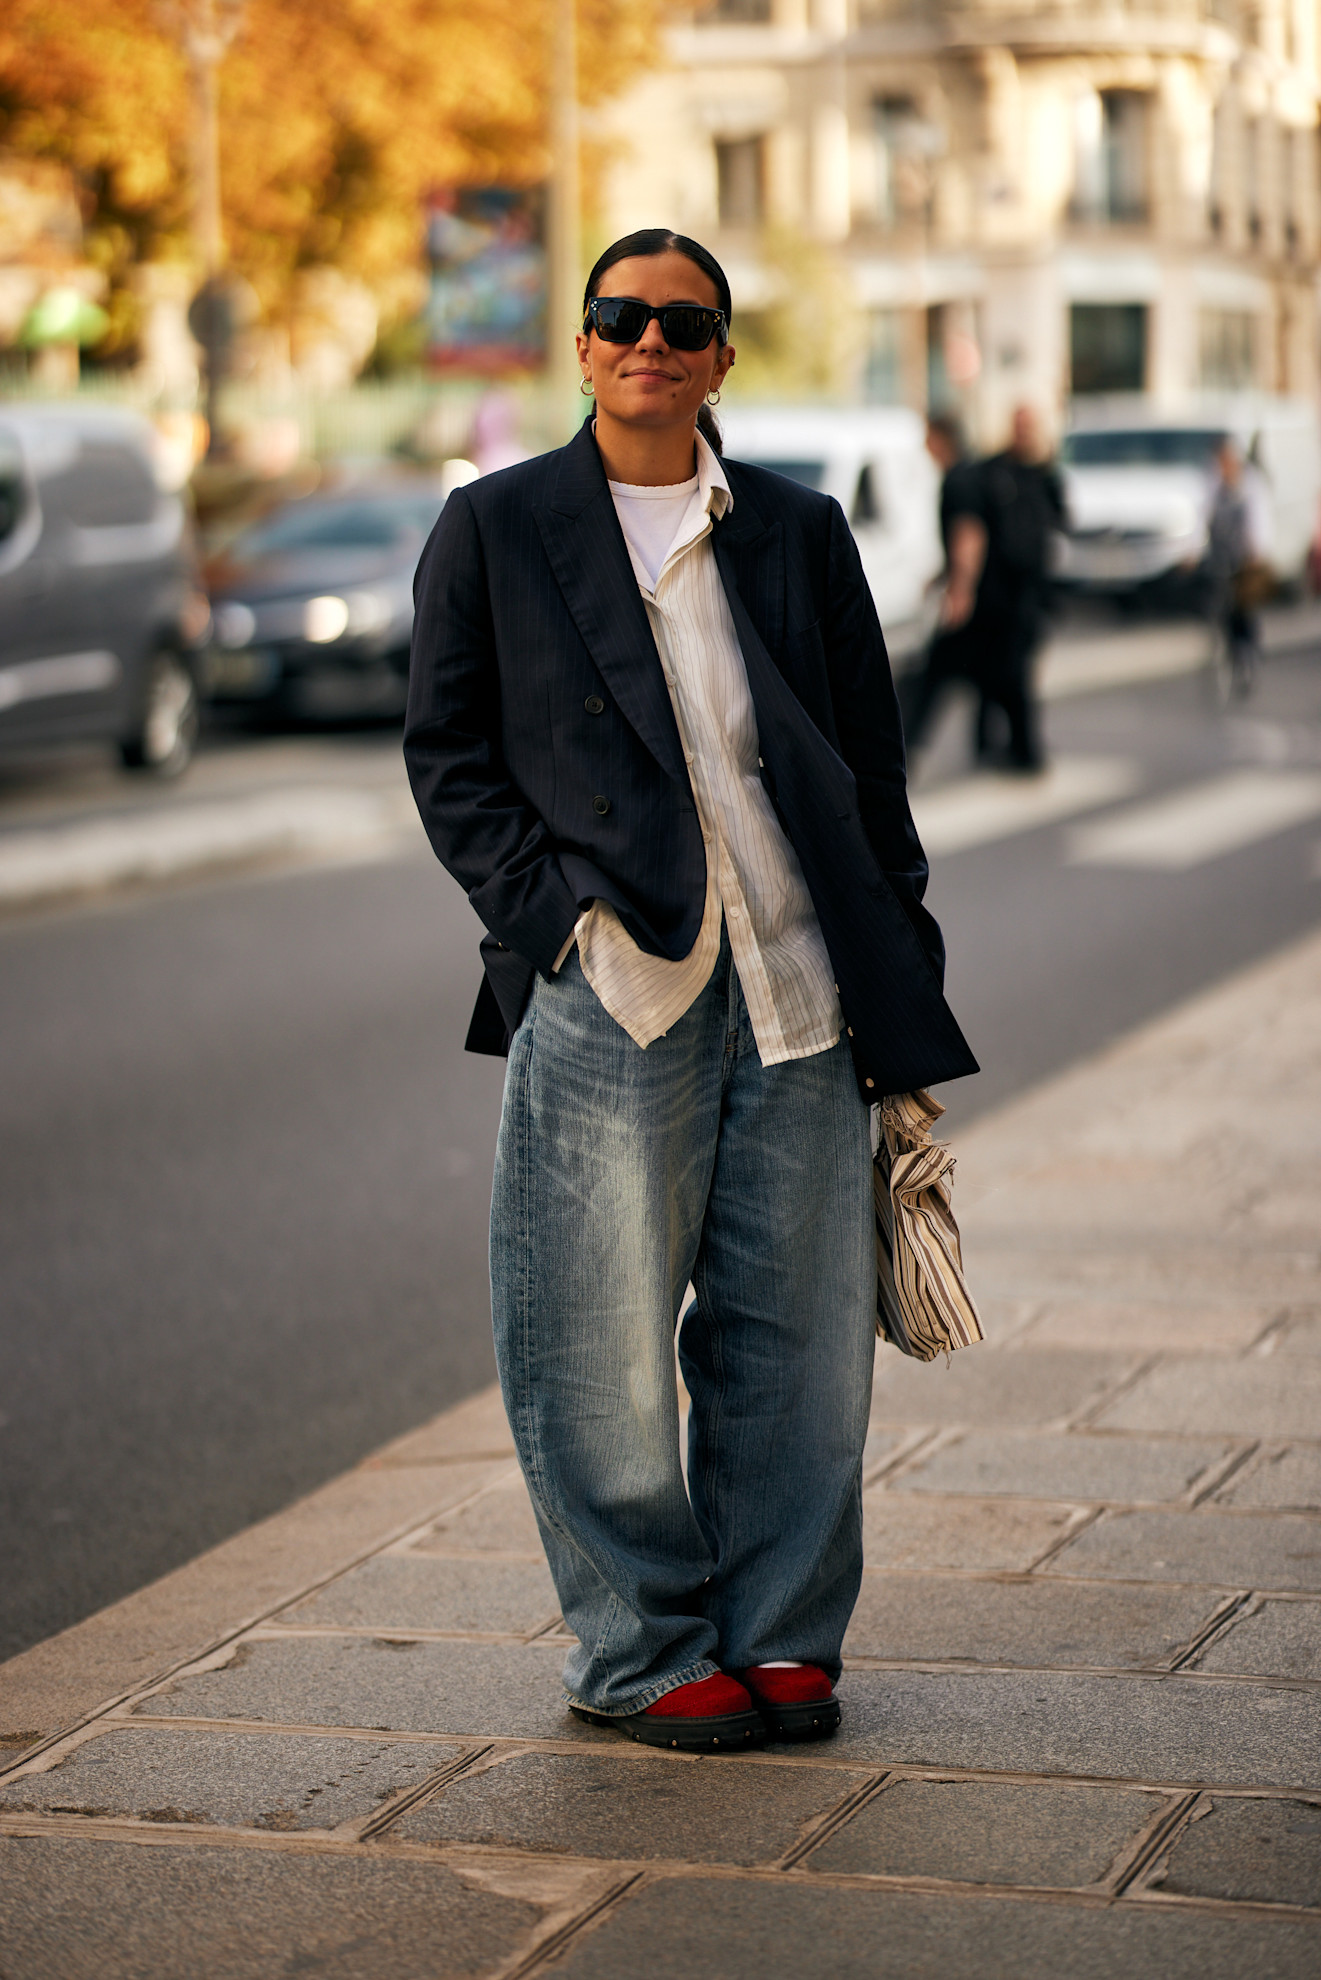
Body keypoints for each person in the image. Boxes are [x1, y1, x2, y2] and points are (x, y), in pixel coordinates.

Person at [404, 228, 977, 1754]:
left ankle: (781, 1630)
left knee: (795, 1334)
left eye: (682, 321)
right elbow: (446, 757)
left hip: (796, 973)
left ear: (722, 357)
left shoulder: (794, 530)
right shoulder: (496, 525)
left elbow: (867, 765)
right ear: (582, 349)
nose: (648, 340)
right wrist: (559, 928)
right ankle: (638, 1644)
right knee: (586, 1333)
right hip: (620, 985)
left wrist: (894, 960)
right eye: (618, 317)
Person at [971, 405, 1065, 772]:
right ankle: (1009, 746)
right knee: (999, 672)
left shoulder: (1044, 474)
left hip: (1030, 594)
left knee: (1017, 672)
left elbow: (1060, 523)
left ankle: (1020, 747)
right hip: (998, 591)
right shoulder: (994, 472)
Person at [897, 412, 988, 755]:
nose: (924, 445)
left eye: (928, 436)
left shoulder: (958, 480)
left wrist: (960, 590)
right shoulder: (969, 473)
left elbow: (969, 535)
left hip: (974, 594)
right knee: (989, 675)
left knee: (932, 673)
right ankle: (997, 747)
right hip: (984, 593)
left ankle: (908, 742)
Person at [1205, 437, 1268, 697]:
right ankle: (1230, 653)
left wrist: (1256, 552)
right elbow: (1203, 517)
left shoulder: (1250, 487)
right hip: (1221, 557)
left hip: (1244, 559)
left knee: (1245, 610)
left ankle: (1248, 654)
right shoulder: (1213, 487)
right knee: (1223, 611)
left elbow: (1260, 522)